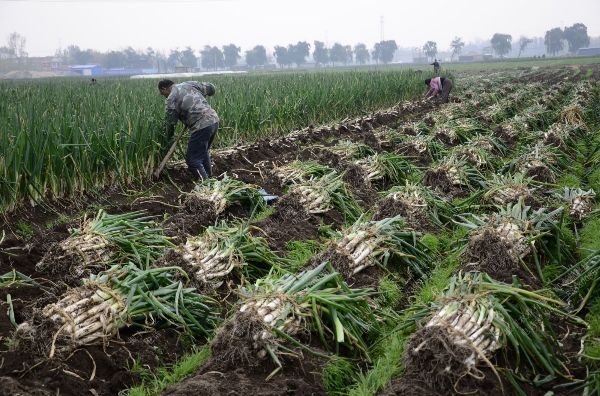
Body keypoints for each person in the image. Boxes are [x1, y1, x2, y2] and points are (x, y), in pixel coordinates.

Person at [158, 79, 219, 181]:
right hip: (214, 119)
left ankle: (206, 186)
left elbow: (170, 124)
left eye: (162, 93)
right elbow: (211, 88)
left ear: (164, 89)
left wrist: (166, 139)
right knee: (202, 153)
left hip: (201, 125)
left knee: (193, 160)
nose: (164, 96)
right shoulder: (189, 84)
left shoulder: (171, 99)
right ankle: (210, 179)